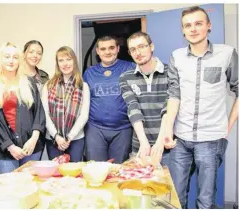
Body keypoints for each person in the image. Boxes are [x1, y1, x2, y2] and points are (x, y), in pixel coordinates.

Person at [163, 6, 238, 209]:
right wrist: (168, 129)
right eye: (188, 25)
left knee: (205, 200)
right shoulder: (176, 56)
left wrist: (227, 127)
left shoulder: (227, 54)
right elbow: (174, 94)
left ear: (208, 26)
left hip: (211, 139)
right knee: (176, 198)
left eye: (198, 23)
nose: (193, 29)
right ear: (183, 30)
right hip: (181, 139)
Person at [0, 42, 45, 173]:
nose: (11, 61)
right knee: (10, 190)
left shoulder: (29, 82)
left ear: (20, 60)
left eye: (15, 57)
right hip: (7, 151)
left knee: (31, 188)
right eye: (7, 56)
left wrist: (34, 139)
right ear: (1, 59)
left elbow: (39, 112)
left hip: (31, 147)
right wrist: (10, 147)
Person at [119, 31, 171, 166]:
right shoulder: (126, 77)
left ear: (151, 47)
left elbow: (169, 108)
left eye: (142, 46)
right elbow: (133, 108)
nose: (138, 52)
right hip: (140, 147)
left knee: (171, 186)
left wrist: (160, 142)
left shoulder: (171, 72)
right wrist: (143, 142)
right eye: (133, 49)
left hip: (168, 146)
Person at [83, 35, 136, 164]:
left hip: (123, 129)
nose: (107, 52)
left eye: (111, 48)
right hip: (95, 129)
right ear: (98, 51)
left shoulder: (131, 68)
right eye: (103, 49)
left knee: (118, 171)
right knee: (96, 170)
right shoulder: (89, 73)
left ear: (118, 49)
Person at [41, 46, 90, 162]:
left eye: (68, 59)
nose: (65, 64)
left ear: (74, 61)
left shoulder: (83, 86)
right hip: (53, 139)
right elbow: (45, 114)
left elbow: (84, 115)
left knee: (74, 176)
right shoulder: (48, 85)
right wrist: (57, 137)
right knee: (55, 175)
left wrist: (69, 137)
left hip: (76, 139)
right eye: (61, 60)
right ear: (57, 64)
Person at [23, 40, 49, 159]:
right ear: (24, 53)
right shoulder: (16, 75)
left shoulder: (44, 76)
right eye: (31, 52)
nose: (35, 55)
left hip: (40, 123)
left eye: (39, 53)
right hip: (23, 124)